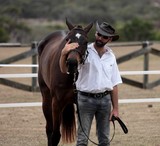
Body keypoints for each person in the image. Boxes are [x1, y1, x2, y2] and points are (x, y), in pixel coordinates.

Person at [59, 21, 122, 146]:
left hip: (105, 101)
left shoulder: (111, 56)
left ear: (109, 39)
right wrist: (63, 54)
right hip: (85, 100)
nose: (100, 38)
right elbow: (64, 70)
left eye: (104, 36)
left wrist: (115, 108)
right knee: (82, 140)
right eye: (99, 34)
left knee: (104, 140)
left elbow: (114, 84)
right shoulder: (83, 51)